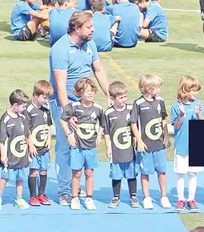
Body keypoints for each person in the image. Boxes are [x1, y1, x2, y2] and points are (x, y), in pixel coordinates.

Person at [48, 11, 111, 206]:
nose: (93, 30)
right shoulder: (60, 49)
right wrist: (68, 114)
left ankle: (76, 186)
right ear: (77, 28)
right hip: (65, 103)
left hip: (86, 105)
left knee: (85, 145)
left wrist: (109, 94)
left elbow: (98, 70)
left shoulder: (90, 44)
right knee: (66, 146)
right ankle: (65, 190)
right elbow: (60, 85)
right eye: (90, 27)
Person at [61, 77, 104, 211]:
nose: (90, 93)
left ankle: (89, 197)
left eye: (92, 90)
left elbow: (103, 124)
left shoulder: (98, 108)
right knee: (77, 173)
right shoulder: (73, 107)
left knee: (90, 172)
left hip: (90, 146)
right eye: (87, 91)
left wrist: (99, 136)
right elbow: (63, 120)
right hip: (77, 146)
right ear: (79, 93)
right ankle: (74, 198)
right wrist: (69, 135)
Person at [131, 74, 170, 209]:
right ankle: (147, 197)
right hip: (145, 146)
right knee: (145, 172)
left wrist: (166, 136)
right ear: (148, 88)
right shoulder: (138, 103)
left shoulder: (160, 101)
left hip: (159, 144)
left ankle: (164, 196)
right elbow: (133, 123)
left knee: (162, 171)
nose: (159, 90)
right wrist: (139, 141)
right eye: (157, 87)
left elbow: (164, 119)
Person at [0, 88, 31, 210]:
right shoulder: (5, 119)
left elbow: (26, 135)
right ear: (15, 105)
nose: (24, 109)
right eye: (23, 106)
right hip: (9, 156)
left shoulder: (22, 117)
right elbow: (2, 140)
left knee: (20, 178)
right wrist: (3, 155)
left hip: (22, 154)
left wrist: (28, 150)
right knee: (5, 177)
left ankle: (19, 198)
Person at [103, 81, 138, 209]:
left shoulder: (131, 109)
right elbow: (106, 132)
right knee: (116, 174)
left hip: (130, 150)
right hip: (116, 150)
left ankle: (133, 196)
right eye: (121, 97)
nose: (124, 100)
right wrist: (108, 147)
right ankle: (116, 196)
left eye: (125, 97)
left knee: (132, 173)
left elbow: (136, 127)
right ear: (112, 98)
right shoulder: (108, 113)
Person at [172, 75, 203, 211]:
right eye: (193, 90)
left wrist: (198, 114)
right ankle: (180, 199)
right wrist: (181, 115)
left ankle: (191, 199)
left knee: (193, 173)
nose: (195, 93)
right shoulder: (176, 105)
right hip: (181, 145)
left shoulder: (199, 104)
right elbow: (176, 126)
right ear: (184, 90)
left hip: (196, 146)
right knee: (180, 173)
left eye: (196, 90)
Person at [25, 80, 53, 207]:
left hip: (44, 146)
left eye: (47, 97)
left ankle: (42, 194)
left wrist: (48, 139)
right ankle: (32, 196)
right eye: (43, 97)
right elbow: (27, 130)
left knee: (44, 170)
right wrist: (30, 145)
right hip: (33, 147)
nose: (45, 100)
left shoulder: (46, 108)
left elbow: (48, 125)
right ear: (36, 94)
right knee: (34, 171)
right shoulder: (28, 109)